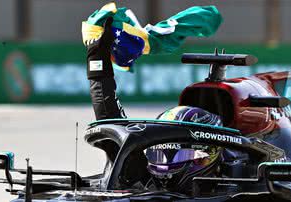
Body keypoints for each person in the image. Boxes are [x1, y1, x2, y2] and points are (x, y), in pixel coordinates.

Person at [85, 17, 224, 193]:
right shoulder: (145, 181)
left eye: (180, 155)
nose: (165, 168)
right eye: (159, 156)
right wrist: (97, 58)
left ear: (206, 156)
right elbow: (108, 114)